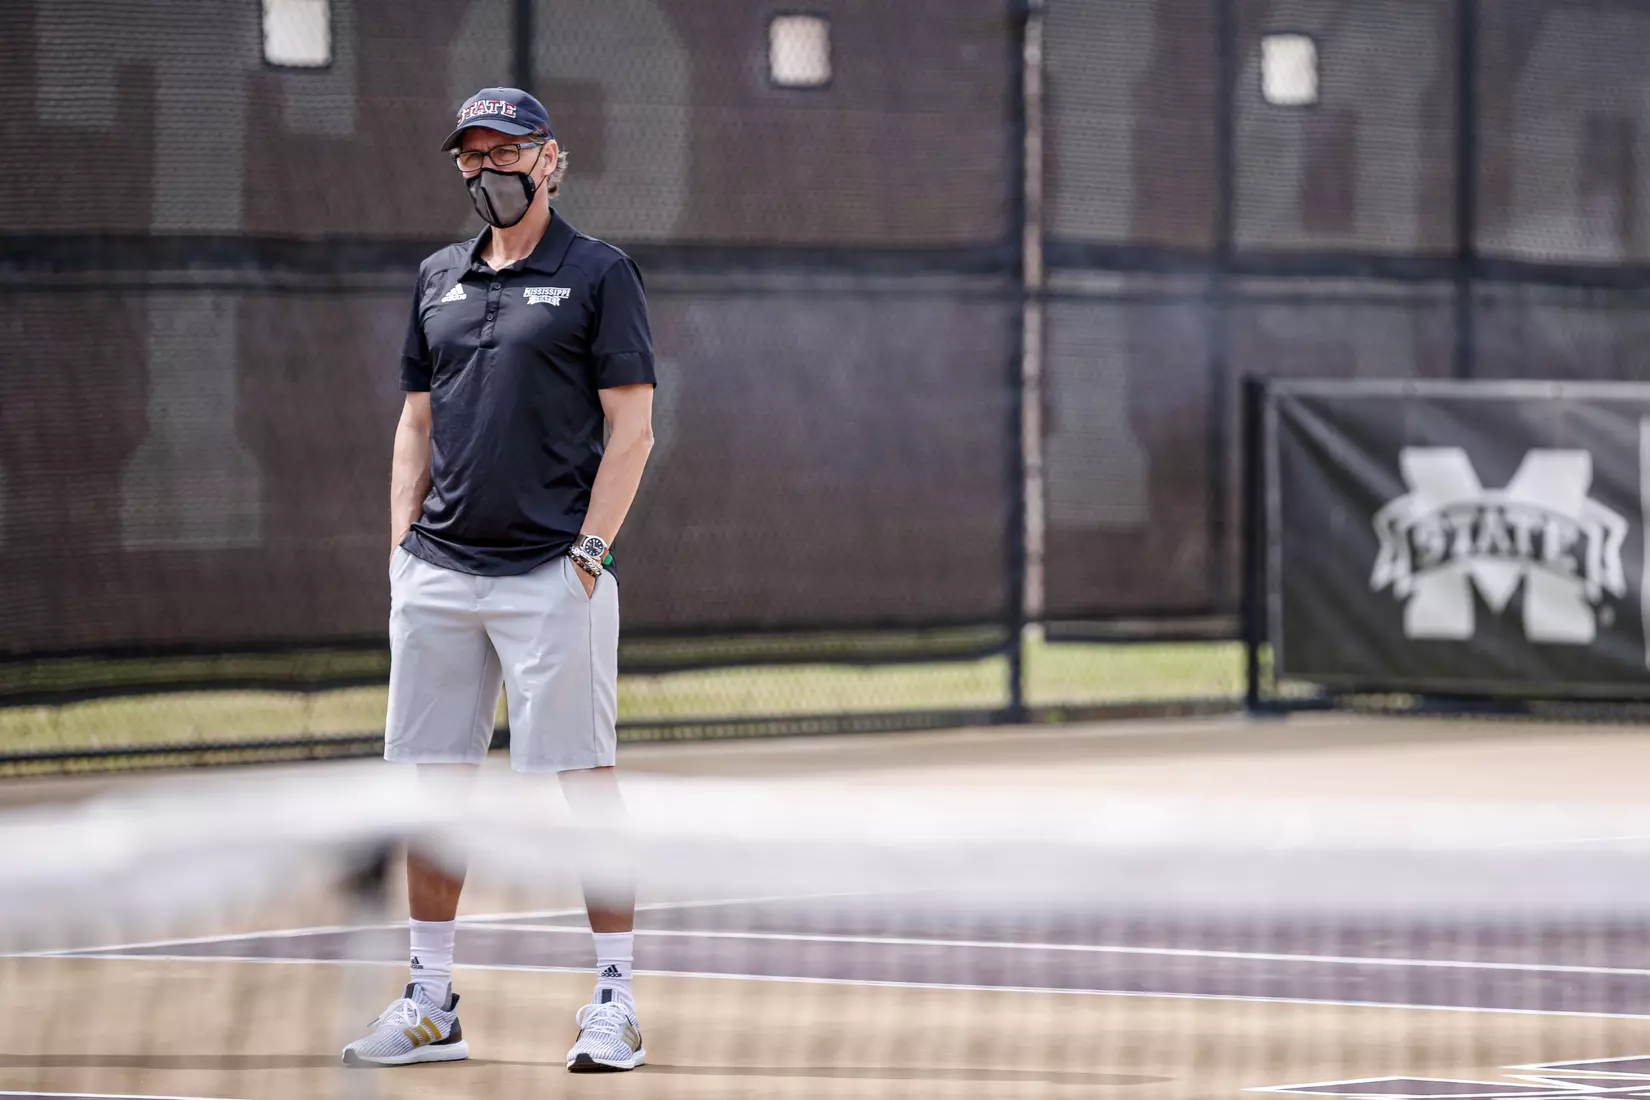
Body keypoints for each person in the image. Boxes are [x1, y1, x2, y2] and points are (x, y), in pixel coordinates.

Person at [341, 87, 656, 1073]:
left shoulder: (600, 273)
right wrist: (403, 548)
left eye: (506, 152)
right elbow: (416, 421)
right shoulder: (437, 278)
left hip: (551, 573)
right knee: (436, 795)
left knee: (585, 785)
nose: (488, 170)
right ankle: (431, 999)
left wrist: (590, 556)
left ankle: (616, 999)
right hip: (438, 572)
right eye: (471, 156)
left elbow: (633, 426)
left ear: (549, 159)